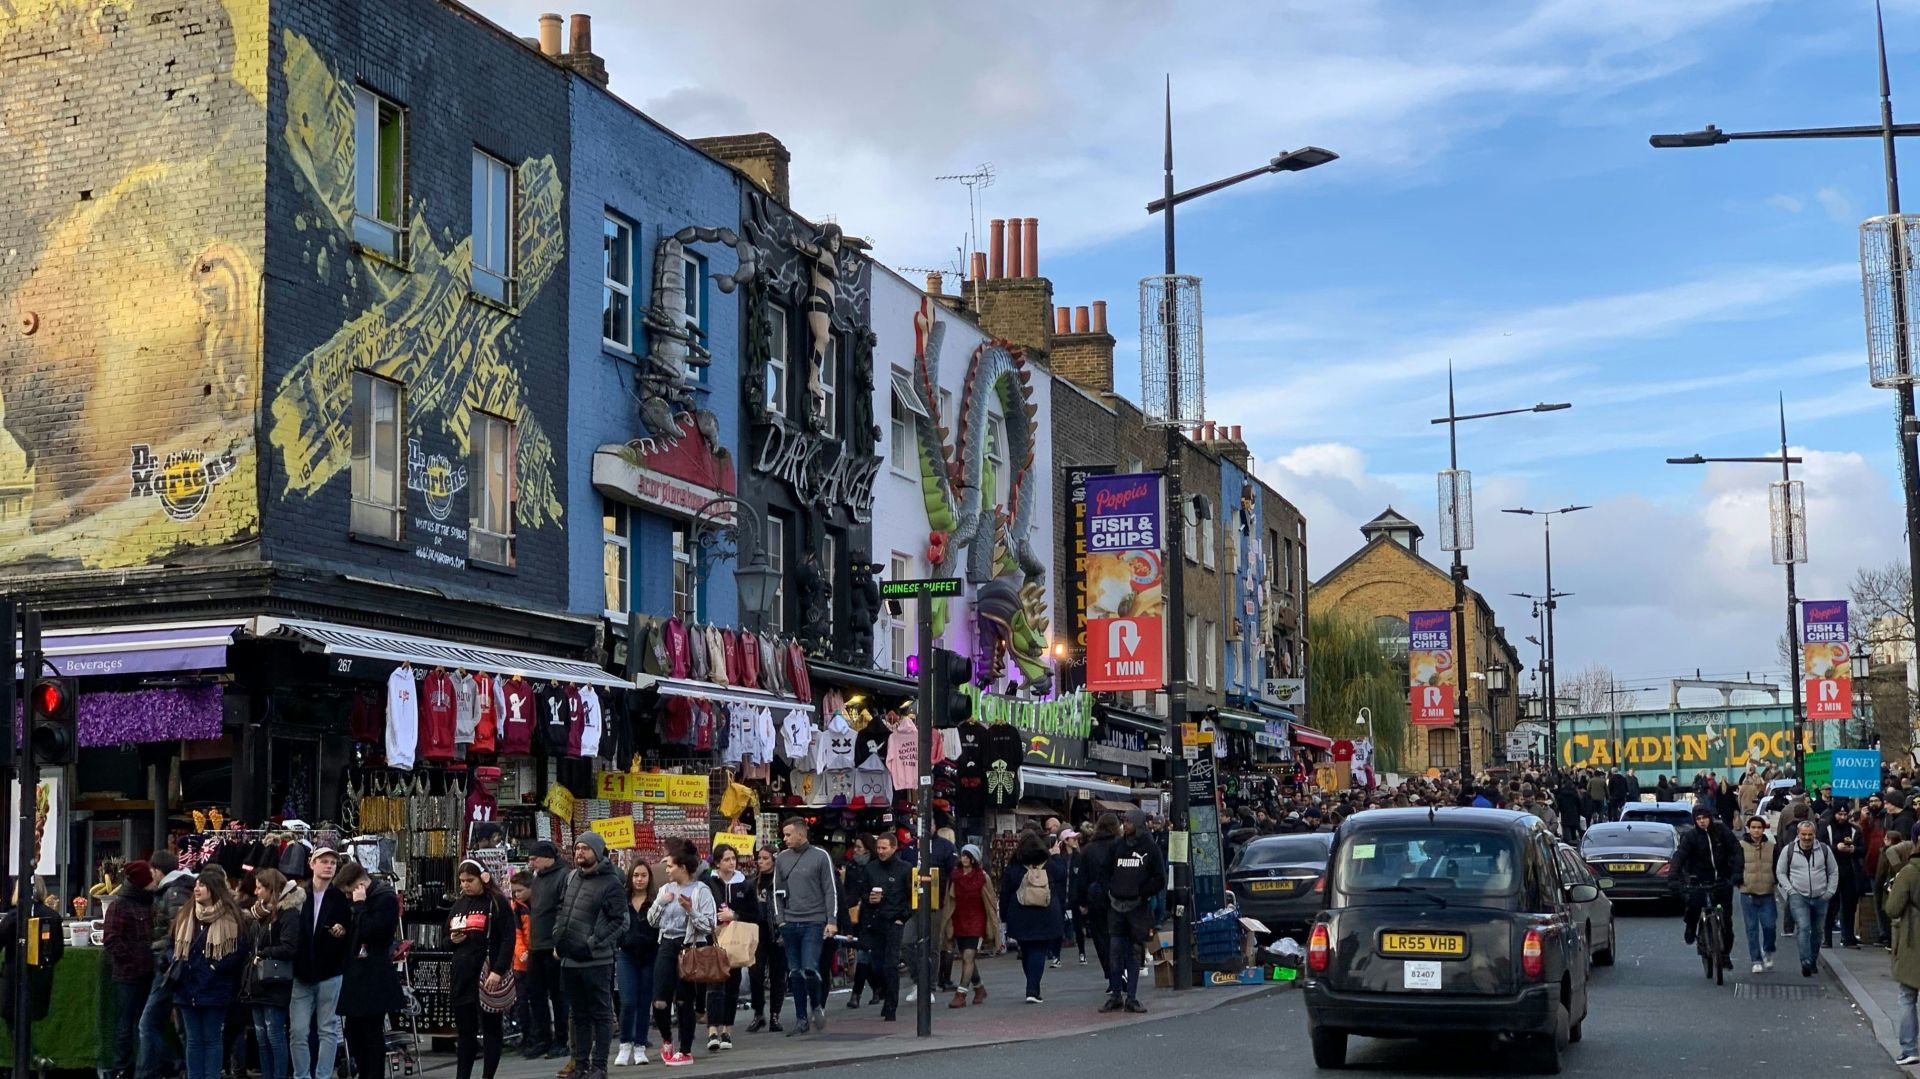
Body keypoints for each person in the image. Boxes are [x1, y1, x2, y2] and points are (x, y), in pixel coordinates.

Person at [556, 833, 628, 1079]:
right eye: (577, 848)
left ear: (597, 852)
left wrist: (593, 942)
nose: (580, 853)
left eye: (585, 848)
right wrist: (558, 936)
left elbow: (621, 922)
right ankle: (580, 1064)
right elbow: (562, 909)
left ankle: (599, 1066)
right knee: (579, 1015)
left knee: (601, 1014)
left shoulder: (611, 883)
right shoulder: (572, 877)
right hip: (570, 959)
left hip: (596, 961)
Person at [172, 869, 250, 1079]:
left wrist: (215, 968)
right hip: (187, 987)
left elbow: (240, 950)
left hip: (216, 987)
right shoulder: (186, 914)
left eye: (202, 885)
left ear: (214, 889)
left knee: (213, 1038)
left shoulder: (232, 916)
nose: (196, 889)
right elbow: (173, 944)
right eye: (196, 885)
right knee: (193, 1039)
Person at [335, 861, 405, 1079]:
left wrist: (360, 906)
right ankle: (365, 1071)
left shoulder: (384, 898)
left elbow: (374, 931)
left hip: (374, 975)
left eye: (349, 892)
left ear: (359, 884)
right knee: (355, 1032)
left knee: (371, 1032)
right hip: (358, 973)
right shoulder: (364, 901)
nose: (348, 897)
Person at [649, 847, 717, 1068]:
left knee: (683, 1001)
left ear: (683, 867)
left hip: (689, 947)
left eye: (670, 865)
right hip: (667, 944)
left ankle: (685, 1050)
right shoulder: (665, 889)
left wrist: (690, 910)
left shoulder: (701, 890)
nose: (667, 870)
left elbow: (709, 925)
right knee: (659, 1001)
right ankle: (667, 1040)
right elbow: (651, 920)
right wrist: (661, 903)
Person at [1092, 811, 1165, 1014]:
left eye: (1129, 822)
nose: (1125, 825)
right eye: (1124, 822)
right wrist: (1110, 889)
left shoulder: (1150, 848)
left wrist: (1142, 892)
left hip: (1137, 907)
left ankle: (1131, 997)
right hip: (1116, 905)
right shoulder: (1117, 846)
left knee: (1134, 952)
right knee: (1114, 951)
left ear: (1139, 824)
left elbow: (1159, 878)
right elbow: (1104, 871)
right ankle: (1116, 994)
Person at [771, 818, 839, 1036]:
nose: (785, 838)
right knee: (795, 972)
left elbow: (830, 890)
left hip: (814, 921)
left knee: (809, 968)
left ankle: (817, 1004)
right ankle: (801, 1018)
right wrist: (780, 920)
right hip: (790, 921)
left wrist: (832, 920)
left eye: (788, 834)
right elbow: (776, 892)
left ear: (801, 834)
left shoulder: (821, 856)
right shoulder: (781, 858)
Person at [448, 861, 515, 1079]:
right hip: (462, 973)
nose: (465, 885)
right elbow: (444, 938)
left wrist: (499, 970)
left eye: (470, 880)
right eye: (462, 881)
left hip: (487, 972)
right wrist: (451, 939)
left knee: (491, 1030)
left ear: (483, 878)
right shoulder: (459, 904)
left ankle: (488, 1076)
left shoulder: (496, 903)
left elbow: (508, 938)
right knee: (465, 1032)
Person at [288, 848, 350, 1079]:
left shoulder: (339, 898)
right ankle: (301, 1075)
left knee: (327, 1029)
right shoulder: (298, 894)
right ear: (312, 864)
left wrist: (342, 931)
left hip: (329, 971)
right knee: (298, 1031)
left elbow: (349, 930)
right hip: (301, 971)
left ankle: (323, 1075)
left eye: (333, 862)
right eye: (324, 861)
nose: (329, 866)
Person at [140, 850, 195, 1079]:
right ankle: (186, 1069)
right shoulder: (181, 888)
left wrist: (160, 952)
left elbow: (180, 933)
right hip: (176, 968)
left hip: (170, 969)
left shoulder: (173, 893)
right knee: (183, 1027)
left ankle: (166, 1066)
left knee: (147, 1023)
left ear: (157, 870)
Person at [241, 868, 300, 1079]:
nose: (256, 892)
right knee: (261, 1036)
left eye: (259, 888)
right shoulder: (261, 914)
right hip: (257, 981)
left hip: (275, 981)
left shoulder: (288, 912)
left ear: (271, 889)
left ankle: (279, 1075)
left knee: (274, 1035)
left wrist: (262, 954)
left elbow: (290, 947)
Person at [999, 830, 1066, 1004]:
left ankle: (1032, 985)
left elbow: (1006, 890)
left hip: (1020, 912)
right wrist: (1057, 856)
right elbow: (1062, 875)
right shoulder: (1048, 862)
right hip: (1046, 912)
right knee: (1039, 950)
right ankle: (1032, 988)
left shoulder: (1015, 865)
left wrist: (1004, 915)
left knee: (1026, 949)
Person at [106, 861, 159, 1079]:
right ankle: (122, 1067)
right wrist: (132, 959)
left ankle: (145, 1065)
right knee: (126, 1023)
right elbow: (111, 939)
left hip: (148, 972)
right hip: (129, 975)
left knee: (144, 1023)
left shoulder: (151, 903)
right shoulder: (120, 905)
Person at [704, 845, 759, 1049]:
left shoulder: (745, 885)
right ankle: (712, 1031)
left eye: (733, 858)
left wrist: (734, 916)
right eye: (726, 859)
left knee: (732, 986)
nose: (731, 862)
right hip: (714, 939)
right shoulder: (709, 883)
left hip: (736, 941)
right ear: (717, 862)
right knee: (714, 985)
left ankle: (727, 1030)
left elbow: (755, 915)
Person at [855, 834, 911, 1022]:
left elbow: (913, 897)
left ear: (894, 848)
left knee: (890, 964)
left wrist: (902, 918)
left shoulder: (905, 869)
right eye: (878, 848)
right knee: (876, 964)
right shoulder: (871, 868)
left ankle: (891, 1007)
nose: (880, 851)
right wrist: (868, 898)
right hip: (875, 920)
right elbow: (863, 892)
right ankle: (885, 993)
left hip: (894, 920)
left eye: (884, 848)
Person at [1675, 804, 1741, 963]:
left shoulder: (1721, 831)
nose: (1702, 821)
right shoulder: (1690, 837)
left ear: (1710, 818)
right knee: (1694, 906)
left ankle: (1725, 955)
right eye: (1698, 819)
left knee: (1726, 921)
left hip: (1722, 880)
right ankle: (1691, 927)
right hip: (1699, 880)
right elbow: (1680, 857)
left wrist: (1737, 873)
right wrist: (1674, 877)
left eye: (1704, 817)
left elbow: (1737, 850)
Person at [1778, 819, 1841, 977]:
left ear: (1815, 835)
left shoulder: (1825, 850)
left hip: (1821, 896)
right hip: (1799, 896)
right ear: (1798, 834)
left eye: (1810, 835)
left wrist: (1829, 892)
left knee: (1818, 931)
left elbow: (1833, 871)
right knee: (1804, 928)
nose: (1806, 838)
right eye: (1803, 835)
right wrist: (1790, 890)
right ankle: (1805, 961)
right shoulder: (1789, 850)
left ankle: (1812, 960)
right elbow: (1780, 872)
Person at [525, 841, 570, 1061]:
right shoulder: (537, 878)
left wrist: (558, 941)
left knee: (558, 995)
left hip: (553, 946)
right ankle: (542, 1038)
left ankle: (561, 1040)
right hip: (536, 945)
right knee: (536, 995)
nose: (531, 862)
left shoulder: (564, 876)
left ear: (547, 858)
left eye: (535, 858)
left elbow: (564, 910)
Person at [943, 845, 998, 1007]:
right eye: (963, 855)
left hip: (977, 920)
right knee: (967, 958)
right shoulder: (955, 877)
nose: (964, 859)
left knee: (968, 957)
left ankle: (960, 994)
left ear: (974, 859)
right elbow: (949, 900)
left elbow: (990, 900)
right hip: (959, 920)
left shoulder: (982, 877)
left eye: (968, 856)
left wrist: (992, 923)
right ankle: (979, 988)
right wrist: (948, 922)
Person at [615, 861, 658, 1066]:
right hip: (626, 955)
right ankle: (625, 1044)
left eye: (643, 875)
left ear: (649, 878)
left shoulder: (655, 900)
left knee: (643, 1003)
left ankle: (640, 1045)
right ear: (630, 878)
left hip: (650, 955)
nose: (639, 879)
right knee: (628, 1001)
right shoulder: (622, 900)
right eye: (635, 875)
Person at [1884, 838, 1920, 1066]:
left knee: (1907, 996)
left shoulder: (1908, 872)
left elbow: (1892, 908)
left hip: (1913, 938)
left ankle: (1909, 1048)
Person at [746, 847, 787, 1034]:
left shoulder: (782, 881)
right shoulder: (753, 882)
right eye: (759, 858)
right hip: (757, 931)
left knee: (778, 974)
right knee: (755, 972)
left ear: (774, 860)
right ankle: (758, 1012)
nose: (761, 862)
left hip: (777, 930)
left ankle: (775, 1014)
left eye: (765, 858)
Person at [1735, 817, 1779, 974]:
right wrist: (1738, 880)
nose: (1756, 830)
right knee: (1751, 928)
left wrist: (1776, 880)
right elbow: (1735, 865)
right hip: (1747, 892)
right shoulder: (1740, 846)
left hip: (1767, 891)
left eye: (1759, 827)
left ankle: (1768, 950)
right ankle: (1756, 959)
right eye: (1753, 827)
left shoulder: (1772, 847)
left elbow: (1778, 866)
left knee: (1770, 926)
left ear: (1763, 829)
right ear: (1748, 828)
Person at [1823, 807, 1866, 949]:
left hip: (1850, 873)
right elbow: (1821, 847)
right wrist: (1836, 847)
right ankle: (1826, 939)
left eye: (1844, 814)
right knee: (1830, 907)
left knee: (1849, 907)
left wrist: (1853, 850)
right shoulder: (1827, 828)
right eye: (1839, 814)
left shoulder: (1854, 830)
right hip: (1831, 873)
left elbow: (1863, 849)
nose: (1842, 817)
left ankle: (1848, 938)